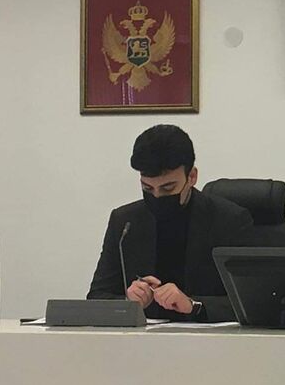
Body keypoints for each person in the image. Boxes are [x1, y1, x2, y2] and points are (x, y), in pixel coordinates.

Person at [88, 124, 252, 322]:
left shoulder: (229, 220)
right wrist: (128, 301)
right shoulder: (125, 222)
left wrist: (193, 305)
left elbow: (251, 303)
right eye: (147, 189)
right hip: (144, 335)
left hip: (206, 335)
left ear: (192, 177)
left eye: (168, 188)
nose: (157, 196)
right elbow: (97, 297)